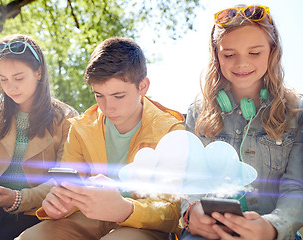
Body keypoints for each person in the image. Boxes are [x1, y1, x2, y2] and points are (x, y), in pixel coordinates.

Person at [17, 37, 185, 240]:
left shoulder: (170, 130)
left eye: (118, 96)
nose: (107, 107)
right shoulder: (80, 128)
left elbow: (173, 214)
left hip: (143, 226)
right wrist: (60, 206)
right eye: (99, 95)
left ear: (143, 86)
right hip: (87, 218)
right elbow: (66, 188)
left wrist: (125, 209)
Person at [181, 4, 303, 240]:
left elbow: (297, 187)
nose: (242, 63)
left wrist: (272, 227)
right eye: (229, 55)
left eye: (255, 53)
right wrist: (191, 211)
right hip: (210, 234)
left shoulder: (297, 112)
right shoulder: (197, 112)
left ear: (272, 51)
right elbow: (189, 180)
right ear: (216, 54)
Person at [0, 34, 78, 240]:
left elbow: (64, 180)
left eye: (18, 78)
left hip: (37, 210)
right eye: (3, 79)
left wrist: (17, 198)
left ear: (38, 72)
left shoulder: (66, 118)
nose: (10, 87)